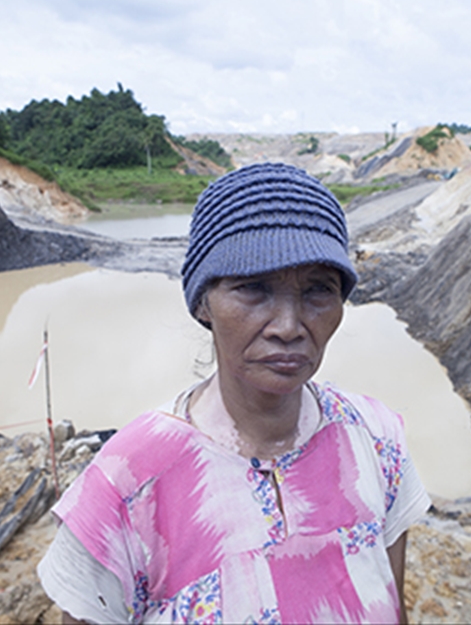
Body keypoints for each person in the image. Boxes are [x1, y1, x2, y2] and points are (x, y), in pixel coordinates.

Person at [38, 162, 431, 624]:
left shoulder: (377, 441)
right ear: (203, 303)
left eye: (318, 290)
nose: (288, 327)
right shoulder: (125, 487)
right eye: (253, 288)